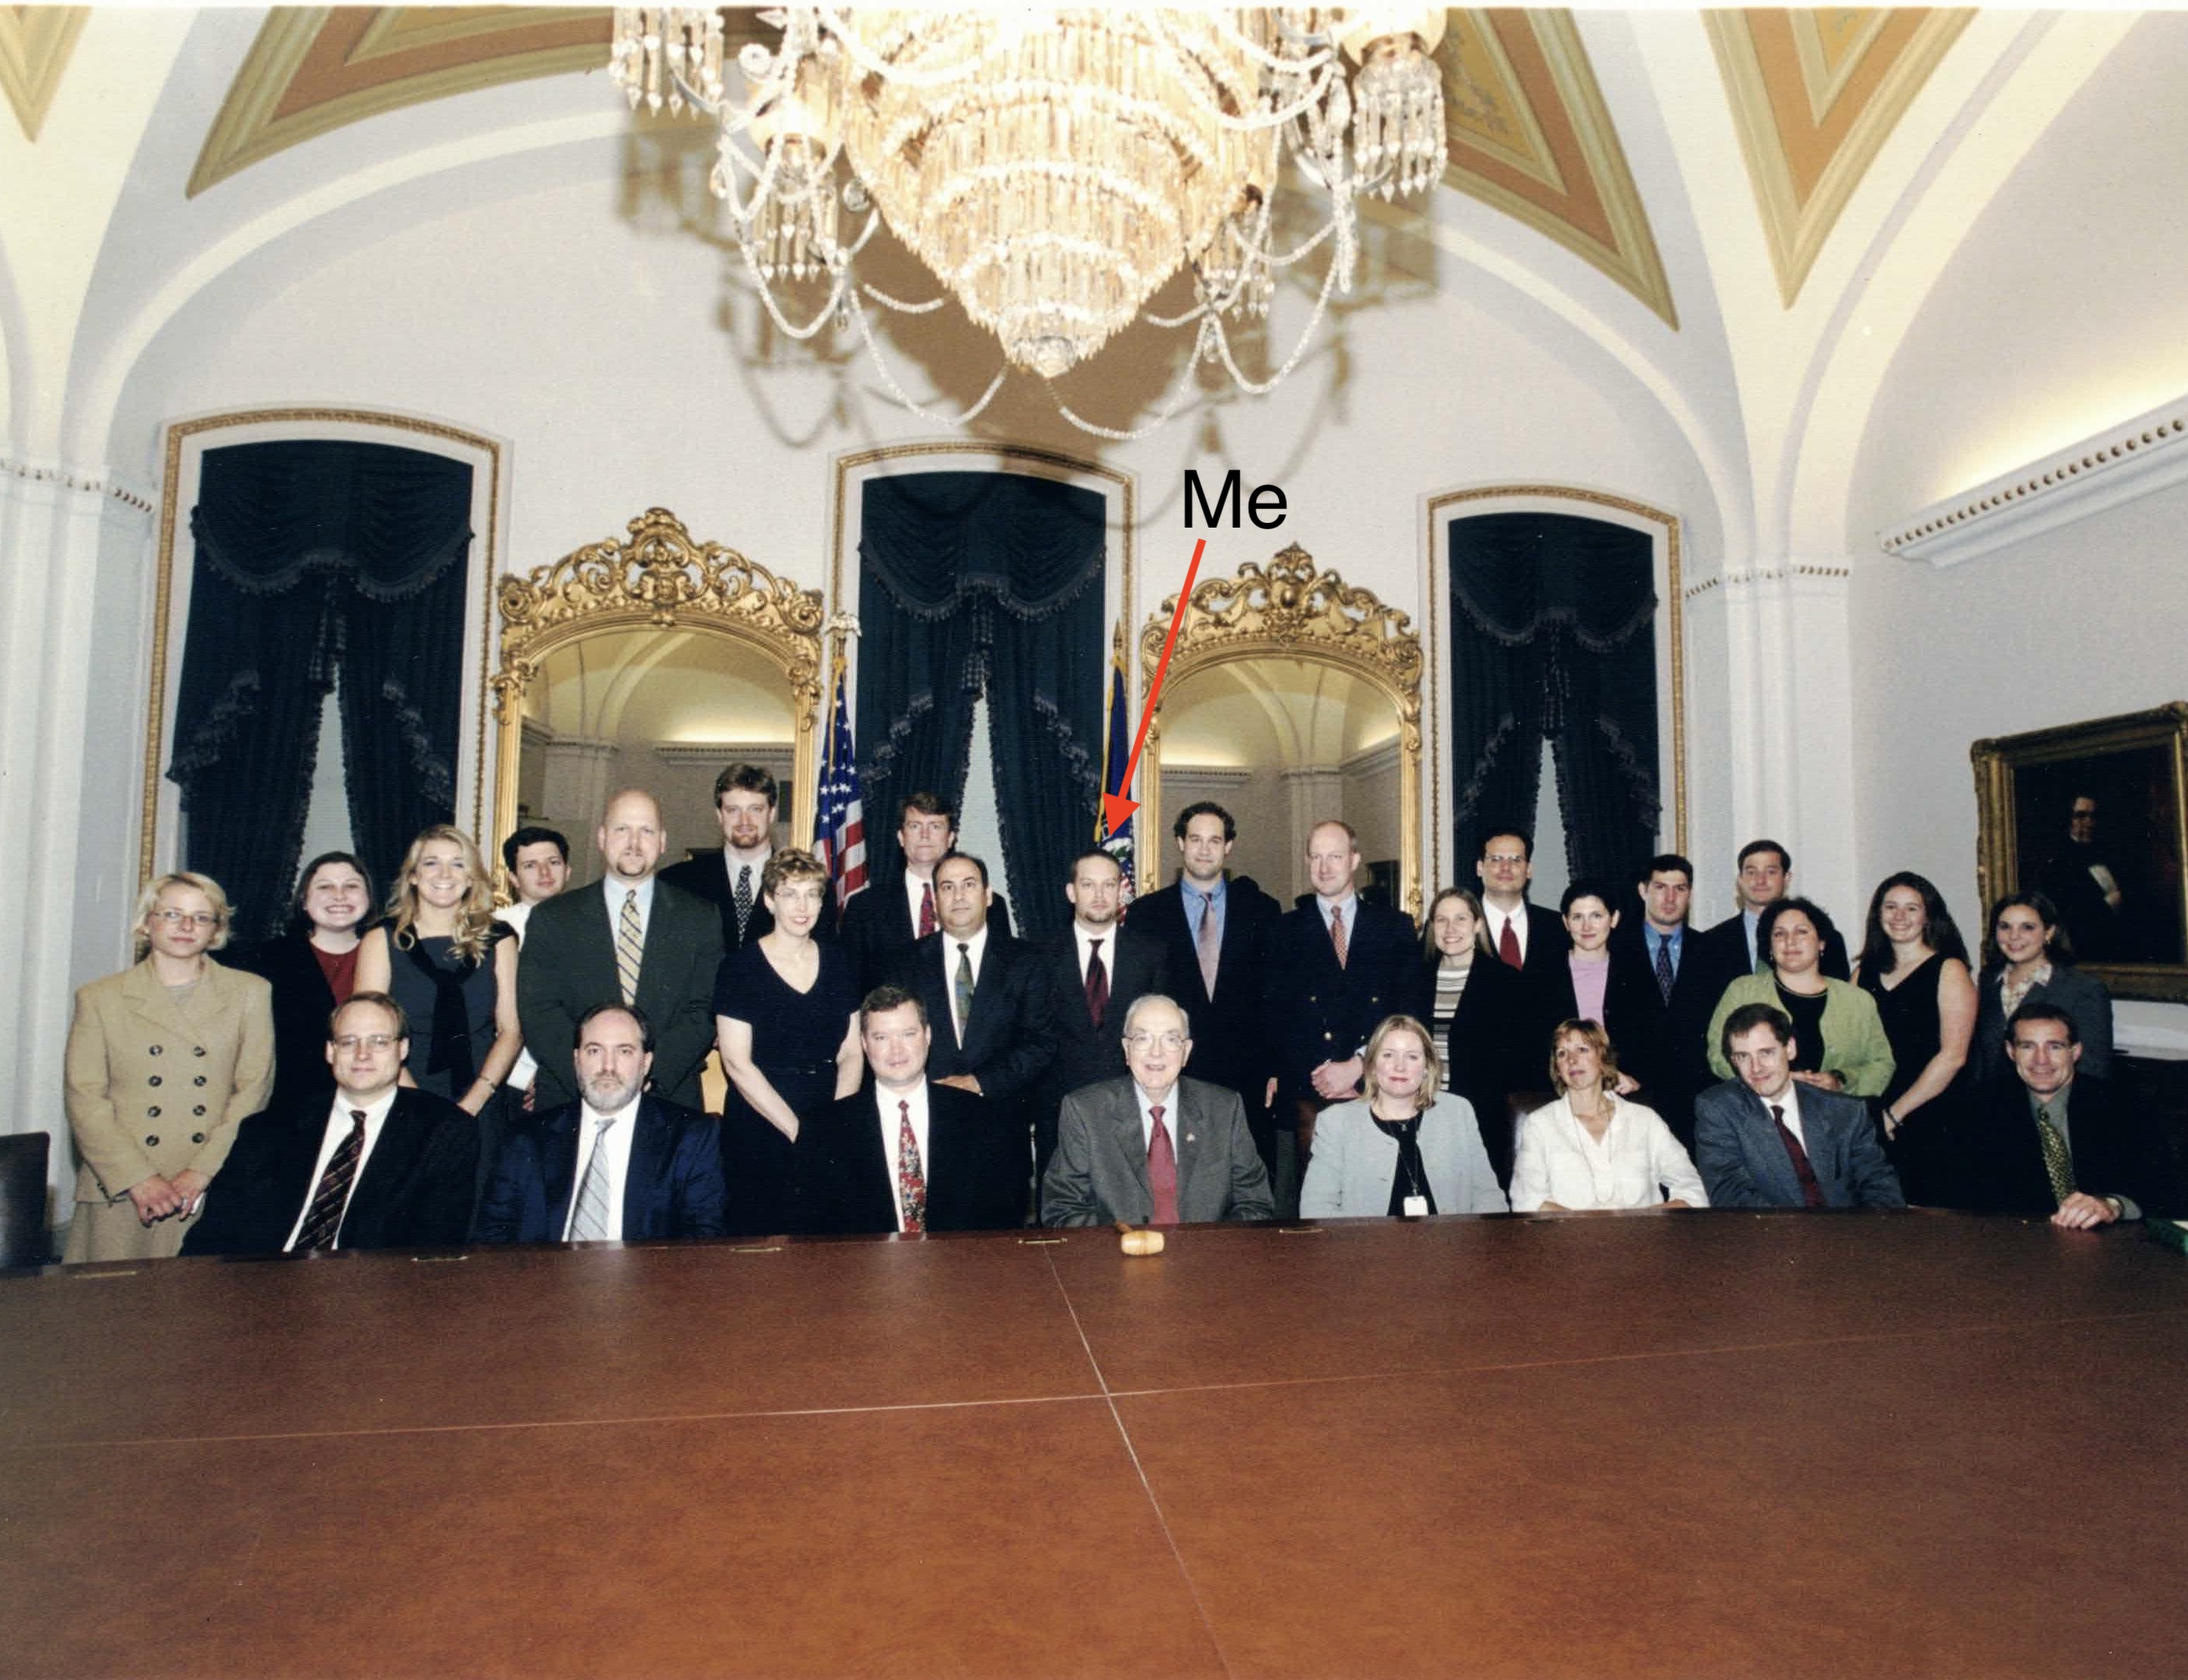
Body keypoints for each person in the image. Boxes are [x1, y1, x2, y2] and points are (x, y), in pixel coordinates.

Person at [61, 872, 274, 1261]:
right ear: (147, 922)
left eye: (201, 917)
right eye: (172, 914)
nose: (186, 926)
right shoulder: (100, 997)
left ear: (216, 931)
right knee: (108, 1313)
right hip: (122, 1186)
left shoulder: (251, 992)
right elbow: (85, 1098)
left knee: (205, 1312)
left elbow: (253, 1089)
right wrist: (139, 1179)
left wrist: (201, 1172)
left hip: (211, 1182)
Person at [183, 993, 477, 1255]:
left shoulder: (443, 1131)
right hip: (262, 1289)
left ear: (402, 1050)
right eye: (348, 1042)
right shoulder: (270, 1129)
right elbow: (213, 1234)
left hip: (372, 1297)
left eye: (379, 1042)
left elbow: (434, 1247)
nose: (363, 1055)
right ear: (330, 1051)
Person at [515, 789, 724, 1112]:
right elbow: (539, 1012)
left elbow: (703, 1009)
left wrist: (646, 1075)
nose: (634, 842)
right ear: (601, 837)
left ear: (663, 841)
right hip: (571, 1098)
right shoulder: (553, 918)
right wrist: (594, 1076)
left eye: (646, 831)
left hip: (667, 1098)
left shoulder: (700, 917)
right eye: (622, 829)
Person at [356, 825, 522, 1202]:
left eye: (457, 864)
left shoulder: (501, 938)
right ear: (413, 876)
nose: (444, 875)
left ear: (471, 878)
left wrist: (476, 1100)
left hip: (481, 1094)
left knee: (477, 1210)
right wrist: (419, 1104)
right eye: (431, 863)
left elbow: (511, 1030)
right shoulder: (382, 939)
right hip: (401, 1093)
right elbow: (369, 1033)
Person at [1120, 800, 1282, 1183]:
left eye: (1215, 840)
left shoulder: (1263, 910)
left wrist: (1276, 1066)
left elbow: (1275, 995)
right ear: (1180, 843)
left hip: (1247, 1070)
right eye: (1195, 839)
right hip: (1175, 1068)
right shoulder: (1147, 914)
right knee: (1180, 1179)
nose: (1205, 849)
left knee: (1244, 1181)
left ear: (1229, 847)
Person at [1264, 819, 1418, 1215]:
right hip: (1308, 1093)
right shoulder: (1282, 931)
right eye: (1316, 857)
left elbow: (1407, 1012)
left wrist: (1360, 1066)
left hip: (1381, 1089)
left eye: (1334, 856)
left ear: (1354, 859)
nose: (1325, 866)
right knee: (1308, 1218)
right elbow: (1274, 1018)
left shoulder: (1394, 927)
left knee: (1377, 1209)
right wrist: (1325, 1074)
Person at [476, 1002, 728, 1242]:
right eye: (594, 1051)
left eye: (624, 1051)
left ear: (646, 1063)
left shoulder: (691, 1137)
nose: (608, 1067)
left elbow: (703, 1238)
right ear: (576, 1059)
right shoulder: (525, 1139)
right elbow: (493, 1235)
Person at [712, 848, 862, 1236]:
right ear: (769, 900)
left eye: (812, 893)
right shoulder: (739, 968)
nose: (803, 905)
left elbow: (850, 1052)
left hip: (825, 1110)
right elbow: (737, 1063)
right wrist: (799, 1132)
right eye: (790, 893)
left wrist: (837, 1124)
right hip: (760, 1119)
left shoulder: (840, 962)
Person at [800, 985, 1028, 1234]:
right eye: (881, 1038)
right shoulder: (824, 1128)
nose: (896, 1050)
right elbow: (814, 1231)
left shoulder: (982, 1119)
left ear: (928, 1036)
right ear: (864, 1044)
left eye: (908, 1034)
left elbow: (1003, 1221)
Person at [889, 851, 1054, 1182]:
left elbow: (1041, 1042)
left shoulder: (1027, 960)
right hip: (927, 1128)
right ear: (935, 900)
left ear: (987, 895)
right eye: (947, 887)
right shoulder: (903, 963)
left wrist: (977, 1083)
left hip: (1001, 1129)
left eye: (968, 885)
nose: (959, 896)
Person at [1931, 1001, 2173, 1225]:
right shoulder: (1976, 1110)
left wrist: (2112, 1205)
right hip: (2013, 1249)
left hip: (2109, 1246)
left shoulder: (2122, 1106)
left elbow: (2162, 1186)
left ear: (2075, 1052)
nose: (2041, 1060)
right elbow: (1955, 1197)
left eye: (2055, 1047)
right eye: (2027, 1046)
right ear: (2010, 1051)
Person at [1041, 993, 1275, 1226]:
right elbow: (1062, 1209)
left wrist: (1209, 1250)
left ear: (1186, 1051)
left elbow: (1256, 1204)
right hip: (1117, 1257)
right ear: (1127, 1048)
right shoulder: (1086, 1111)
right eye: (1143, 1038)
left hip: (1207, 1258)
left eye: (1171, 1040)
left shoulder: (1224, 1108)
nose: (1156, 1052)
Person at [1031, 849, 1169, 1184]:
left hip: (1130, 1107)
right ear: (1071, 891)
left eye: (1108, 885)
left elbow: (1162, 1036)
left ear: (1121, 891)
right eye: (1089, 885)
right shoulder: (1038, 954)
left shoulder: (1150, 953)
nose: (1099, 895)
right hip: (1060, 1110)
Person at [1694, 1004, 1905, 1210]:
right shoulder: (1719, 1109)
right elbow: (1730, 1193)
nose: (1756, 1068)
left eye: (1766, 1053)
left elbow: (1882, 1189)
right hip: (1771, 1238)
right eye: (1743, 1057)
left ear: (1790, 1049)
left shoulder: (1844, 1111)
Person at [1299, 1014, 1506, 1218]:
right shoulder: (1337, 1121)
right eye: (1388, 1055)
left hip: (1451, 1247)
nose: (1400, 1066)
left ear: (1427, 1067)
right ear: (1371, 1065)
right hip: (1366, 1249)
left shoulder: (1458, 1111)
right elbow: (1316, 1209)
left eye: (1412, 1056)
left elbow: (1488, 1196)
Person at [1853, 872, 1976, 1203]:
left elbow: (1953, 1056)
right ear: (1878, 915)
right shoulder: (1861, 972)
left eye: (1912, 908)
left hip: (1931, 1113)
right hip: (1874, 1112)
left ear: (1928, 916)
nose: (1900, 916)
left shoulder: (1949, 970)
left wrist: (1895, 1114)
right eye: (1890, 907)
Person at [1605, 853, 1737, 1152]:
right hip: (1633, 1092)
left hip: (1697, 1096)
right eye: (1661, 887)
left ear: (1690, 893)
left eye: (1680, 888)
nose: (1670, 897)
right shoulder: (1614, 948)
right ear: (1643, 891)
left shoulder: (1712, 952)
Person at [1509, 1019, 1706, 1212]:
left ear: (1603, 1060)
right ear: (1558, 1071)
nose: (1571, 1059)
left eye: (1583, 1049)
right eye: (1562, 1054)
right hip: (1570, 1241)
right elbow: (1526, 1201)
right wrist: (1592, 1229)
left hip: (1641, 1239)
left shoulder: (1644, 1120)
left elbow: (1693, 1192)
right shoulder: (1540, 1125)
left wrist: (1641, 1224)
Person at [231, 851, 374, 1116]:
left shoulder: (390, 956)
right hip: (287, 1110)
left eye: (351, 886)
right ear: (304, 901)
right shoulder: (266, 961)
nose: (339, 896)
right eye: (325, 887)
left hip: (369, 1107)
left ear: (368, 898)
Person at [1706, 898, 1894, 1098]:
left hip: (1837, 1119)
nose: (1790, 941)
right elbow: (1718, 1055)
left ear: (1821, 942)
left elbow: (1881, 1064)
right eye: (1779, 934)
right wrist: (1776, 1080)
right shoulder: (1742, 991)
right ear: (1769, 946)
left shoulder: (1858, 1000)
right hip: (1757, 1115)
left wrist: (1840, 1080)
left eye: (1801, 932)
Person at [1405, 886, 1530, 1184]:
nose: (1450, 929)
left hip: (1480, 1120)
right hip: (1418, 1114)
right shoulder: (1414, 979)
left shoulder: (1506, 982)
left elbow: (1518, 1061)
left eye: (1460, 919)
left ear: (1477, 925)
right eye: (1441, 920)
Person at [838, 791, 1014, 993]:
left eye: (935, 826)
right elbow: (849, 985)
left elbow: (1003, 980)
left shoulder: (990, 904)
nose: (925, 835)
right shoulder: (864, 908)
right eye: (915, 826)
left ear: (951, 838)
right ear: (901, 837)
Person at [1970, 890, 2114, 1085]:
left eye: (2027, 927)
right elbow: (1982, 1057)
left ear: (2049, 932)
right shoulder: (1988, 981)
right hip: (1994, 1104)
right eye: (2005, 927)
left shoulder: (2083, 988)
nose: (2014, 936)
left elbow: (2093, 1068)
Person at [659, 762, 796, 955]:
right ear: (719, 815)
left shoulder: (804, 884)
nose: (744, 821)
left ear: (771, 813)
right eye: (733, 810)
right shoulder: (676, 883)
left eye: (755, 809)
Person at [1523, 879, 1651, 1082]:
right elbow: (1534, 1046)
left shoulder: (1636, 974)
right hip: (1559, 1087)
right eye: (1577, 917)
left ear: (1614, 918)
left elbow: (1647, 1043)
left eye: (1596, 916)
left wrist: (1633, 1078)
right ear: (1566, 922)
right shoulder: (1542, 975)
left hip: (1623, 1087)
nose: (1587, 926)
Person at [492, 825, 569, 1108]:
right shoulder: (492, 929)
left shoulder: (592, 928)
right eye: (530, 865)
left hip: (568, 1078)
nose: (545, 873)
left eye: (553, 863)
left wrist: (555, 1076)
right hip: (506, 1080)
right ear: (513, 877)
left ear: (568, 870)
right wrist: (522, 1076)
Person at [1697, 840, 1851, 979]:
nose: (1760, 880)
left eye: (1770, 872)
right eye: (1751, 872)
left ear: (1787, 878)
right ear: (1740, 880)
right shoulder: (1710, 942)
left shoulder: (1825, 938)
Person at [2036, 794, 2128, 962]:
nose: (2088, 823)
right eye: (2081, 816)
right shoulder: (2058, 863)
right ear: (2069, 820)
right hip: (2083, 952)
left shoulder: (2110, 855)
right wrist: (2107, 905)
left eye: (2093, 816)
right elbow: (2064, 915)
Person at [1474, 827, 1567, 981]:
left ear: (1529, 870)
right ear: (1480, 868)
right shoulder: (1456, 926)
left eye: (1516, 860)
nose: (1506, 868)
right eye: (1496, 859)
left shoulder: (1557, 926)